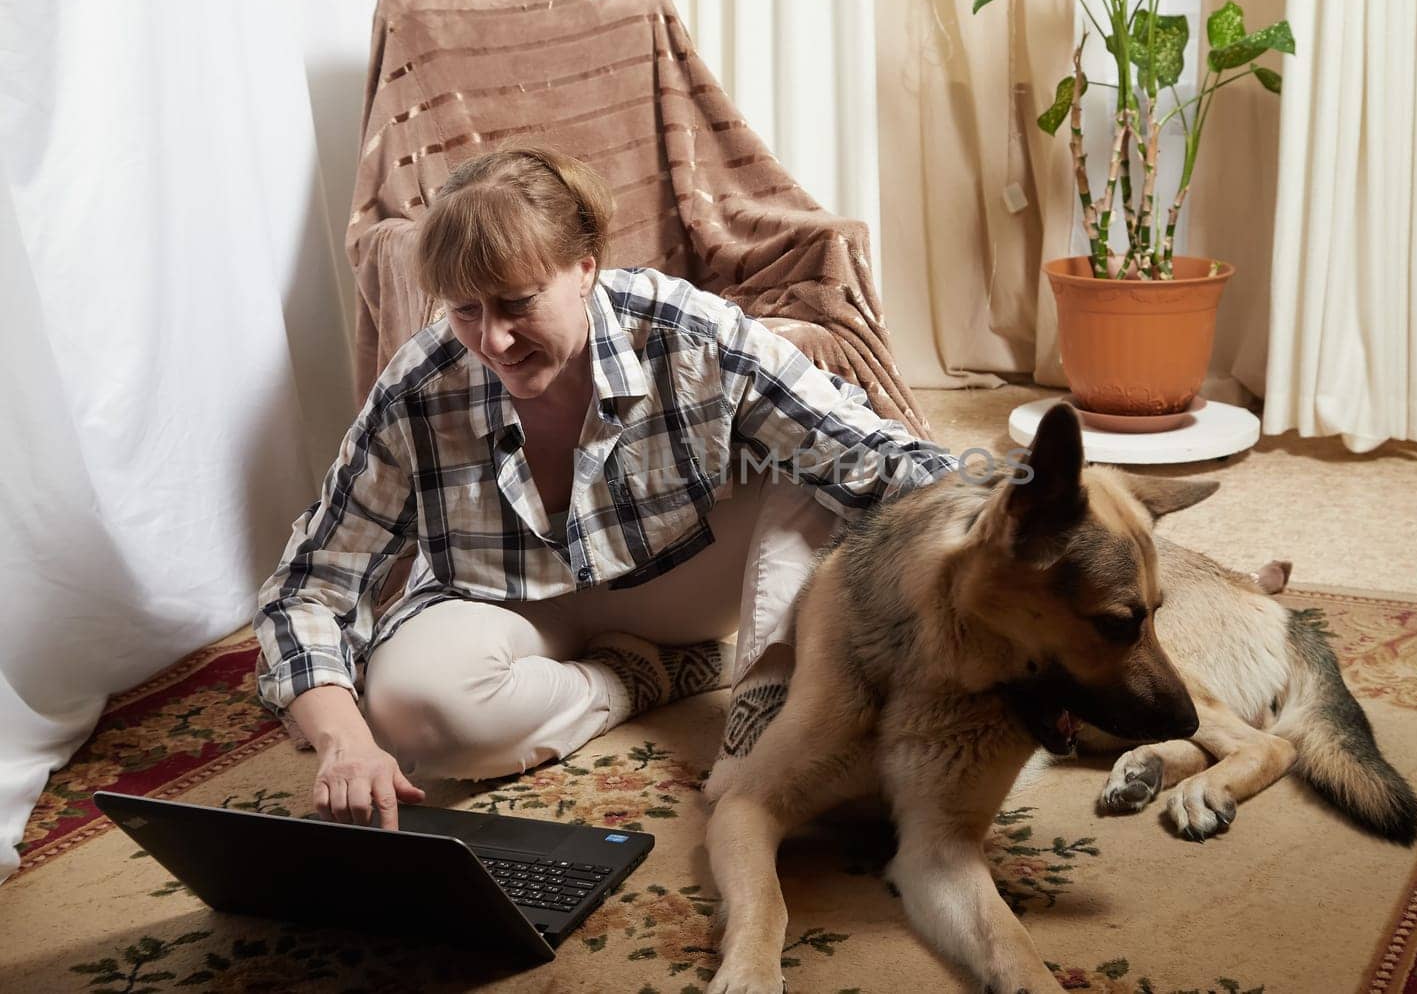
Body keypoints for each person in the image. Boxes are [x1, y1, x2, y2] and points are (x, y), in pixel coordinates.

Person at [253, 145, 956, 831]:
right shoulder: (419, 387)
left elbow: (879, 459)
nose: (492, 340)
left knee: (816, 476)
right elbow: (311, 587)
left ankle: (763, 702)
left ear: (585, 270)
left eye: (517, 303)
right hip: (508, 599)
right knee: (408, 714)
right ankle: (643, 678)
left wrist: (1014, 529)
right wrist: (346, 740)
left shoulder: (691, 334)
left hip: (686, 579)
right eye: (465, 310)